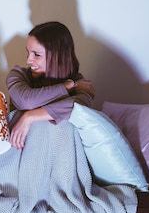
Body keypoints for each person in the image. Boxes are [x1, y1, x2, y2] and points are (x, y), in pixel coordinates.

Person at [6, 20, 95, 149]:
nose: (28, 60)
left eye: (37, 55)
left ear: (58, 57)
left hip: (57, 151)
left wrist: (30, 116)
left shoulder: (79, 81)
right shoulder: (18, 75)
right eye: (28, 52)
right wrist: (67, 86)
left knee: (65, 126)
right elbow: (26, 101)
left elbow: (80, 107)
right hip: (20, 151)